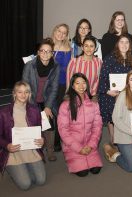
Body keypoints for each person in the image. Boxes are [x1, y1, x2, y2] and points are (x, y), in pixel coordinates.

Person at [0, 81, 46, 190]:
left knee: (41, 180)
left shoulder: (35, 110)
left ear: (29, 94)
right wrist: (7, 145)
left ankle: (25, 168)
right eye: (19, 92)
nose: (23, 95)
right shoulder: (4, 113)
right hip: (13, 153)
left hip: (31, 150)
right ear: (14, 93)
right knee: (25, 184)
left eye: (26, 92)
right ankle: (13, 168)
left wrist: (42, 139)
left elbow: (39, 131)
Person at [57, 73, 103, 177]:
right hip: (73, 145)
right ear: (72, 86)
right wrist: (78, 148)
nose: (81, 86)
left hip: (89, 144)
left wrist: (91, 145)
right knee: (83, 173)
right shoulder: (65, 105)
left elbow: (97, 126)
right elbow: (63, 130)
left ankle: (92, 152)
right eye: (77, 83)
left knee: (96, 170)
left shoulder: (93, 103)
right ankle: (73, 157)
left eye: (83, 83)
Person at [22, 37, 60, 162]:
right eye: (42, 51)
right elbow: (25, 87)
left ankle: (50, 150)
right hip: (31, 100)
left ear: (52, 53)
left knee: (48, 123)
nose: (45, 53)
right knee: (33, 123)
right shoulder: (29, 65)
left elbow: (54, 89)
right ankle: (35, 150)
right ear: (38, 52)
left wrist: (48, 107)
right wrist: (32, 107)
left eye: (48, 51)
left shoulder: (56, 67)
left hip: (46, 100)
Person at [98, 35, 132, 145]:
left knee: (124, 115)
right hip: (111, 93)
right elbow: (103, 77)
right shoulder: (110, 58)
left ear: (130, 45)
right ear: (117, 44)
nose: (124, 44)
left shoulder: (131, 59)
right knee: (112, 116)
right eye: (121, 42)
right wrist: (108, 91)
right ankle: (113, 137)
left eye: (126, 42)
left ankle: (122, 135)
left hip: (125, 93)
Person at [51, 23, 72, 152]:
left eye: (64, 33)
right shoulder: (47, 45)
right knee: (47, 113)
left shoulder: (69, 48)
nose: (61, 34)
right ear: (55, 30)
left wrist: (68, 88)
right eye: (59, 31)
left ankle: (57, 141)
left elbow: (69, 69)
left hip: (62, 84)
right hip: (48, 85)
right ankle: (45, 142)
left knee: (60, 114)